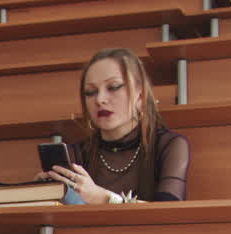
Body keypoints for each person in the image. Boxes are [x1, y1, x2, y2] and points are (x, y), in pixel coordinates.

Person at [41, 47, 190, 204]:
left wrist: (106, 199)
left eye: (113, 87)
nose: (100, 99)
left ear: (141, 96)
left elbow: (168, 214)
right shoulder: (77, 154)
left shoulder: (169, 145)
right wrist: (47, 196)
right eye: (90, 92)